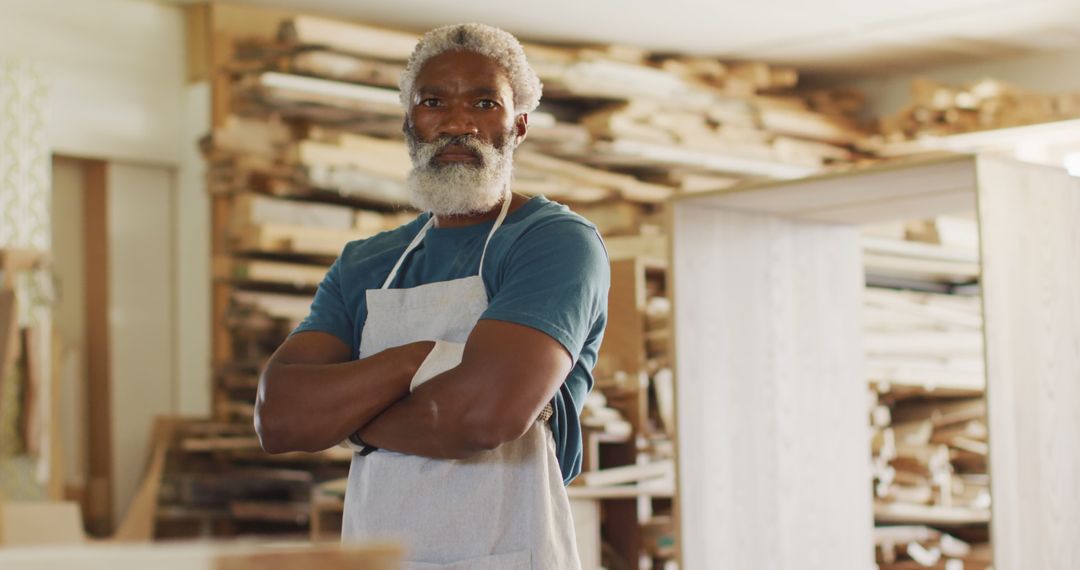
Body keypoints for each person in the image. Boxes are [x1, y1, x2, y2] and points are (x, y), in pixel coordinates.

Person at [254, 22, 609, 569]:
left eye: (484, 103)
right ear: (409, 124)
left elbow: (483, 418)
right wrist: (418, 359)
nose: (457, 123)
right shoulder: (364, 262)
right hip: (382, 556)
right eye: (433, 102)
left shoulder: (553, 242)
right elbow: (278, 419)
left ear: (518, 126)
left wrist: (348, 420)